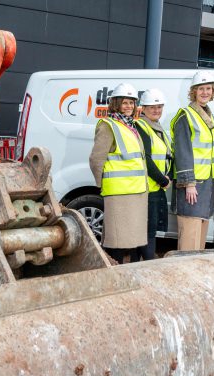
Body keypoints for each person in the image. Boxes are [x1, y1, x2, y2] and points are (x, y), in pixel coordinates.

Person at [89, 83, 148, 264]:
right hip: (119, 192)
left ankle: (122, 271)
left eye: (131, 103)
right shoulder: (108, 125)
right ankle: (113, 272)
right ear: (115, 104)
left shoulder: (130, 125)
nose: (129, 106)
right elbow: (96, 159)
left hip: (135, 190)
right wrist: (101, 185)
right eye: (125, 103)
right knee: (117, 240)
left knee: (130, 239)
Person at [170, 71, 214, 251]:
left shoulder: (208, 115)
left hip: (206, 183)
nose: (205, 92)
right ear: (193, 91)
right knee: (190, 232)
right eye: (201, 89)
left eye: (208, 88)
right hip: (192, 184)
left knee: (200, 231)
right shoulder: (186, 115)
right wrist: (189, 183)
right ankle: (184, 273)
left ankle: (195, 269)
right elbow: (183, 151)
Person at [135, 88, 172, 260]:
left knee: (146, 231)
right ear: (143, 108)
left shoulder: (157, 128)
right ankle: (149, 264)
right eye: (152, 107)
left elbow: (167, 156)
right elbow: (146, 159)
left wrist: (168, 176)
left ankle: (136, 266)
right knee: (147, 232)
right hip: (148, 188)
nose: (156, 110)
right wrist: (163, 180)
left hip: (155, 188)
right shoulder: (142, 126)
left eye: (159, 107)